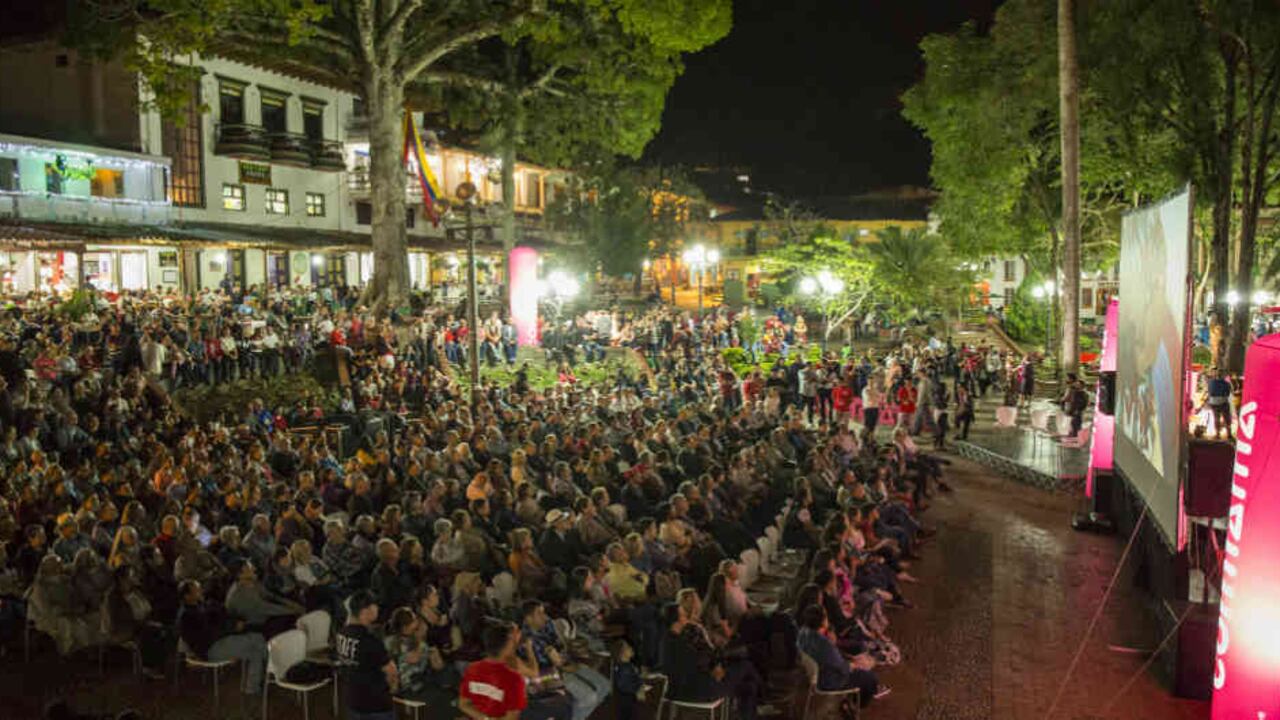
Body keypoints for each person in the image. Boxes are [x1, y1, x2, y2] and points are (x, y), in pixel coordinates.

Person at [459, 621, 572, 720]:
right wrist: (529, 649)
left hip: (495, 709)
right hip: (520, 712)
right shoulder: (512, 677)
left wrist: (485, 718)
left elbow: (463, 705)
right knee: (564, 704)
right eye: (514, 636)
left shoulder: (472, 668)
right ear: (508, 643)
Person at [520, 600, 610, 720]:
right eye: (539, 614)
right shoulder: (526, 638)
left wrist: (569, 658)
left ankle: (578, 714)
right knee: (589, 697)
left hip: (565, 664)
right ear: (528, 619)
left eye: (544, 612)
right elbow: (546, 665)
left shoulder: (547, 625)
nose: (545, 617)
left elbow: (560, 647)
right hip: (546, 676)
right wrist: (566, 666)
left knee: (604, 686)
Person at [176, 579, 267, 695]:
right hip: (211, 649)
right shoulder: (187, 615)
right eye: (197, 590)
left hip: (220, 642)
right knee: (257, 639)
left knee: (256, 652)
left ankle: (252, 688)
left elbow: (221, 616)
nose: (201, 591)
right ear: (187, 596)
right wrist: (232, 629)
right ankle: (276, 668)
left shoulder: (201, 605)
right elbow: (207, 635)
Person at [795, 604, 885, 708]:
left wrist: (850, 659)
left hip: (813, 677)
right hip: (828, 682)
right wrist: (855, 665)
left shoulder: (802, 633)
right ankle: (855, 706)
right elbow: (842, 668)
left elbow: (831, 660)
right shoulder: (824, 645)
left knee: (860, 665)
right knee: (870, 677)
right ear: (823, 622)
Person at [337, 590, 397, 720]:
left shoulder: (341, 634)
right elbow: (391, 671)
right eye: (375, 606)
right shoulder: (370, 641)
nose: (378, 609)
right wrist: (392, 687)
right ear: (365, 611)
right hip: (375, 705)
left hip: (352, 700)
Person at [1206, 370, 1233, 440]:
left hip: (1213, 403)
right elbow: (1228, 393)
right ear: (1223, 376)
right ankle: (1229, 434)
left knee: (1216, 418)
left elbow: (1209, 392)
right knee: (1227, 418)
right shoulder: (1226, 383)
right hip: (1223, 402)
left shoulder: (1211, 382)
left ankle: (1217, 434)